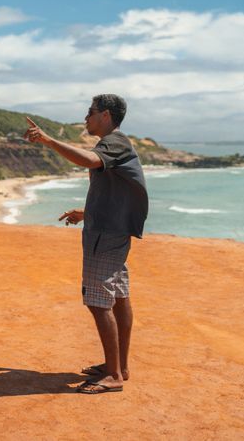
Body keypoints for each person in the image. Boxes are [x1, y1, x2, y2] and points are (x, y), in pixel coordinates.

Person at [24, 94, 148, 395]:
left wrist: (49, 141)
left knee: (97, 300)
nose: (85, 117)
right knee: (118, 295)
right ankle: (119, 366)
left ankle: (114, 375)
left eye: (90, 112)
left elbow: (90, 161)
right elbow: (114, 190)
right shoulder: (116, 143)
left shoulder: (114, 141)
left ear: (105, 115)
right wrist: (86, 213)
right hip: (112, 230)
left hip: (106, 235)